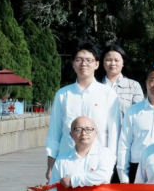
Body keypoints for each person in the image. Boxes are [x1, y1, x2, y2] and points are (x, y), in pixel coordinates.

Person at [46, 43, 120, 183]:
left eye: (88, 60)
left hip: (97, 165)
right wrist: (50, 165)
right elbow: (54, 133)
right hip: (67, 162)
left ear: (97, 64)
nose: (84, 64)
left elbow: (113, 133)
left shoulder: (108, 94)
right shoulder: (63, 94)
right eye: (79, 60)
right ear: (73, 64)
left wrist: (109, 165)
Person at [117, 67, 154, 184]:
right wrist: (123, 175)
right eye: (153, 80)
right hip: (137, 165)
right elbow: (124, 143)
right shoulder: (133, 111)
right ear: (146, 83)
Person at [101, 44, 144, 118]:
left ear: (123, 63)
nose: (113, 63)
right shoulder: (95, 85)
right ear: (103, 62)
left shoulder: (134, 86)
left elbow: (139, 113)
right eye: (108, 60)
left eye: (116, 60)